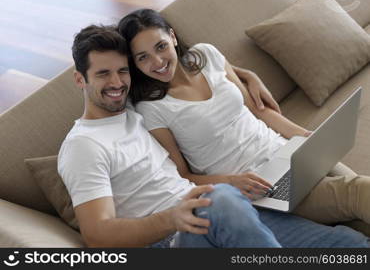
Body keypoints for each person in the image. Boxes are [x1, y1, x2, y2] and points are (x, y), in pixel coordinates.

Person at [57, 24, 369, 248]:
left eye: (122, 71)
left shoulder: (133, 109)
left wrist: (247, 75)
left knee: (349, 244)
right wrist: (173, 217)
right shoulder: (83, 146)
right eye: (102, 74)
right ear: (79, 80)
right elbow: (98, 235)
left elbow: (203, 69)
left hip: (225, 211)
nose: (115, 82)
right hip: (175, 236)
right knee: (220, 197)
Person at [117, 8, 370, 228]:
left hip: (287, 151)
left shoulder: (206, 55)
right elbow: (182, 175)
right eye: (143, 57)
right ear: (134, 64)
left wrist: (306, 136)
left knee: (359, 206)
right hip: (262, 187)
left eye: (160, 46)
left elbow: (258, 111)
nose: (158, 61)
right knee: (358, 191)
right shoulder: (152, 109)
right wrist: (231, 182)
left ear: (172, 36)